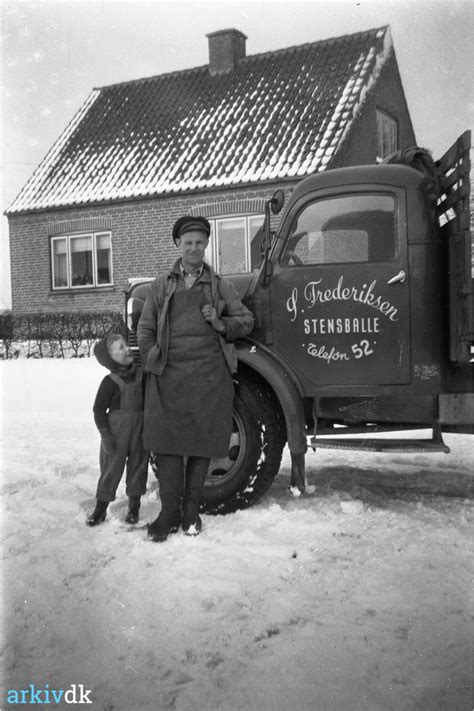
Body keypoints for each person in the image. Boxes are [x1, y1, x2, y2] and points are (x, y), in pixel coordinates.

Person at [137, 215, 254, 542]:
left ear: (206, 245)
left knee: (201, 443)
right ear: (178, 244)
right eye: (187, 243)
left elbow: (246, 320)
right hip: (169, 375)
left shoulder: (219, 285)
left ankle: (191, 512)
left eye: (199, 243)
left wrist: (220, 323)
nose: (193, 249)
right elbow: (145, 328)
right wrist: (151, 357)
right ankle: (168, 513)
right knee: (167, 445)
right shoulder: (162, 285)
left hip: (207, 376)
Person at [86, 333, 149, 527]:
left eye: (126, 344)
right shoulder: (110, 382)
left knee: (139, 467)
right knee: (111, 469)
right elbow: (98, 410)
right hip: (116, 435)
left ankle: (134, 506)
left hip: (140, 431)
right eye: (120, 347)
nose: (127, 348)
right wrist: (106, 436)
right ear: (110, 358)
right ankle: (101, 507)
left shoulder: (142, 375)